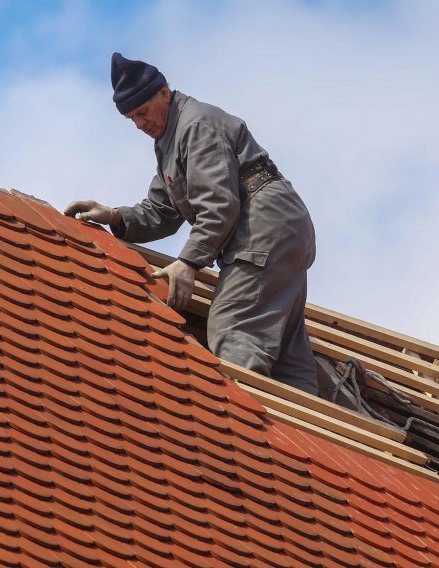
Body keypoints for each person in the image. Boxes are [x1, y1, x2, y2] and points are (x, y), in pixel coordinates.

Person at [64, 53, 318, 394]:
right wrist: (114, 216)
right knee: (286, 345)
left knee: (233, 324)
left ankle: (247, 432)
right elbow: (163, 210)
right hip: (277, 227)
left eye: (142, 112)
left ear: (164, 93)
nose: (139, 123)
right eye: (130, 118)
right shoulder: (169, 141)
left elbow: (219, 205)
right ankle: (304, 428)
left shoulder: (195, 126)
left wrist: (188, 263)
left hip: (262, 226)